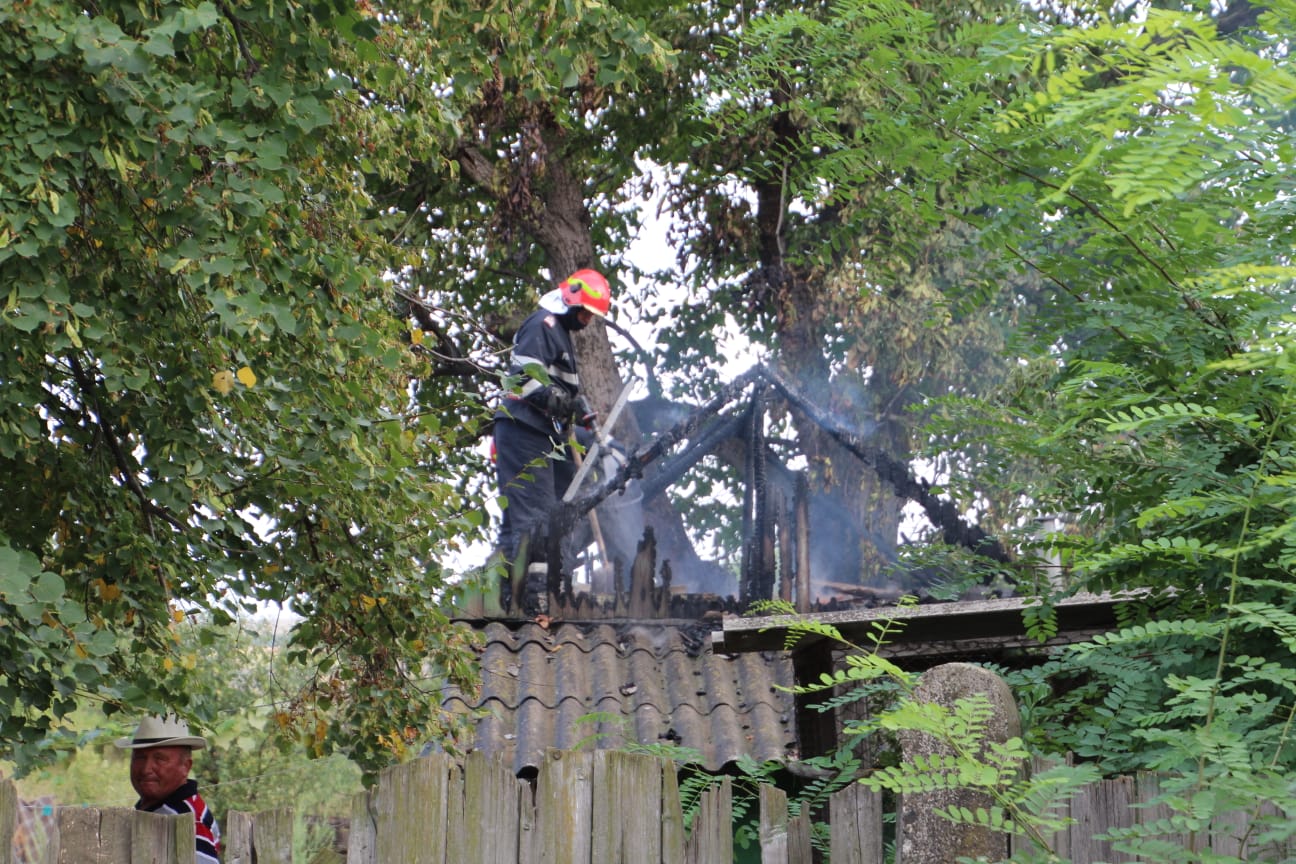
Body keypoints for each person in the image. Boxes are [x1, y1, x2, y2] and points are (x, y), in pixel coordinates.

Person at [493, 268, 612, 604]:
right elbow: (523, 378)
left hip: (541, 433)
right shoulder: (542, 325)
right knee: (537, 516)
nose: (587, 320)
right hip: (524, 429)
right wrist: (557, 400)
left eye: (592, 315)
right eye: (585, 312)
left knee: (545, 511)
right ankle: (535, 601)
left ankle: (509, 596)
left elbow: (559, 390)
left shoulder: (559, 334)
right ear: (571, 300)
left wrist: (574, 407)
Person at [115, 714, 222, 864]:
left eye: (160, 759)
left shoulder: (188, 820)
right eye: (140, 758)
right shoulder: (158, 808)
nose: (146, 769)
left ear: (185, 766)